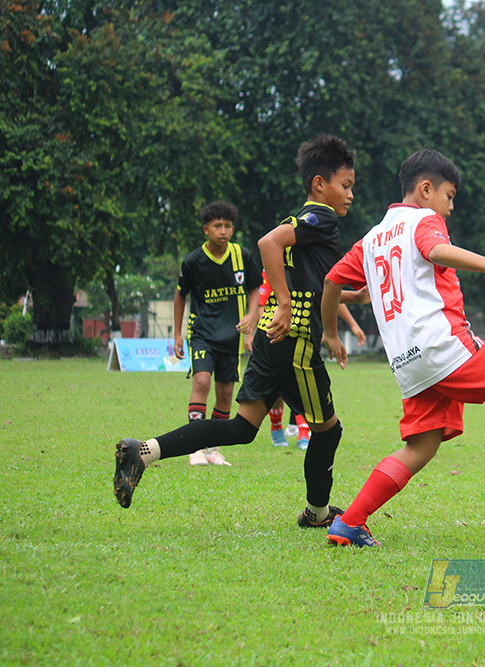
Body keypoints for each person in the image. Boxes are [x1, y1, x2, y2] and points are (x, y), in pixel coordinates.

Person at [320, 149, 485, 547]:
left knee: (422, 445)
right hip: (444, 347)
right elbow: (435, 250)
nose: (450, 206)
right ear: (426, 189)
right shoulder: (424, 220)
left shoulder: (372, 238)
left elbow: (332, 282)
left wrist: (331, 332)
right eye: (449, 195)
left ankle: (349, 523)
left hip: (408, 364)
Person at [114, 134, 361, 529]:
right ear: (319, 184)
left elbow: (312, 283)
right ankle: (317, 513)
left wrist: (354, 298)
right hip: (294, 339)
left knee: (242, 428)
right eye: (345, 185)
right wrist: (282, 302)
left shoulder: (301, 219)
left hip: (269, 337)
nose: (350, 195)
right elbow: (267, 244)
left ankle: (142, 451)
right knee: (328, 431)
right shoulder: (322, 217)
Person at [173, 200, 261, 467]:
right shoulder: (193, 261)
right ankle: (194, 447)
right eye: (217, 226)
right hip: (201, 333)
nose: (223, 230)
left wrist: (251, 317)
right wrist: (177, 334)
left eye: (228, 226)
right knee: (201, 382)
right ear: (206, 230)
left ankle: (213, 448)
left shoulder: (242, 255)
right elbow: (180, 296)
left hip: (231, 336)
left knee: (225, 393)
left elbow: (255, 288)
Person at [252, 269, 367, 449]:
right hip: (277, 337)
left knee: (302, 387)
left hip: (305, 338)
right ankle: (276, 427)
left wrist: (351, 324)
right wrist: (264, 335)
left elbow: (330, 294)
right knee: (275, 394)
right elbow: (262, 303)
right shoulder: (276, 267)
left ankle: (304, 433)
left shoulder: (316, 265)